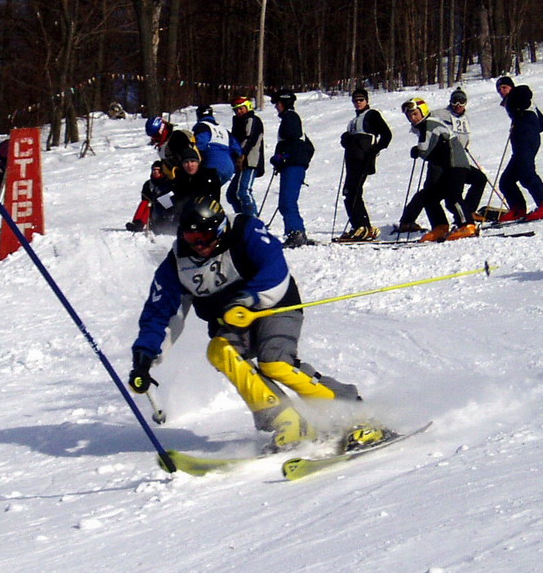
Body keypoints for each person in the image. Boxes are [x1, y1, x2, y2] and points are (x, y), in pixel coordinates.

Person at [127, 197, 368, 450]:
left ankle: (350, 411)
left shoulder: (245, 230)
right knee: (220, 352)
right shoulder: (177, 264)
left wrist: (246, 299)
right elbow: (160, 311)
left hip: (274, 304)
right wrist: (145, 354)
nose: (199, 246)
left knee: (275, 363)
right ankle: (285, 420)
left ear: (220, 230)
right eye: (190, 238)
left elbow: (274, 268)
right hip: (230, 321)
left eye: (206, 238)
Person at [400, 98, 470, 241]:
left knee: (453, 196)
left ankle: (467, 225)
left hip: (454, 164)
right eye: (410, 116)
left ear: (423, 111)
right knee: (430, 196)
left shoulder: (429, 124)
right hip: (445, 166)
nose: (413, 118)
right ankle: (440, 226)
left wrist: (417, 150)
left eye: (415, 114)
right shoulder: (425, 125)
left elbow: (424, 149)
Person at [335, 86, 391, 241]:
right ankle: (360, 226)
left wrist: (375, 149)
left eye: (361, 100)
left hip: (363, 159)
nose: (358, 103)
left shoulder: (372, 115)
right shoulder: (354, 120)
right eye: (355, 100)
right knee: (349, 192)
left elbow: (387, 134)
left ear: (367, 100)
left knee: (353, 191)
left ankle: (362, 227)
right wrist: (345, 139)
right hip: (352, 159)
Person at [499, 84, 543, 222]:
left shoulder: (518, 96)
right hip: (525, 140)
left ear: (512, 87)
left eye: (504, 87)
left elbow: (524, 92)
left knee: (526, 172)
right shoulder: (525, 103)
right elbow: (542, 124)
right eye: (499, 89)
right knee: (506, 180)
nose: (502, 91)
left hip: (525, 139)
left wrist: (522, 121)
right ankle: (517, 209)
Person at [268, 90, 316, 247]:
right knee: (287, 201)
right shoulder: (292, 118)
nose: (276, 107)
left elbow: (294, 141)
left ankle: (296, 233)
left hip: (292, 167)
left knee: (287, 202)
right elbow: (308, 147)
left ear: (283, 103)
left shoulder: (290, 118)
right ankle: (296, 232)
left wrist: (284, 157)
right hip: (293, 166)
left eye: (277, 103)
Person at [441, 88, 490, 232]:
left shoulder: (464, 118)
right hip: (448, 160)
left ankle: (468, 211)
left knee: (480, 179)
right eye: (454, 101)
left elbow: (464, 136)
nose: (457, 104)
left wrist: (464, 145)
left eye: (461, 101)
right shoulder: (442, 114)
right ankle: (464, 218)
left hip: (461, 158)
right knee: (453, 194)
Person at [228, 95, 266, 218]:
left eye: (241, 109)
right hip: (240, 162)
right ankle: (242, 219)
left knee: (243, 191)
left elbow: (250, 139)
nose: (239, 112)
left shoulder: (252, 119)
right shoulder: (237, 122)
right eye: (236, 109)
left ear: (247, 107)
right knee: (232, 194)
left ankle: (253, 219)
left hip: (250, 161)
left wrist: (241, 153)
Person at [125, 160, 180, 234]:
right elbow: (144, 198)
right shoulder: (148, 184)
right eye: (154, 170)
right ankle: (138, 223)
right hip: (153, 210)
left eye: (158, 170)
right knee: (146, 203)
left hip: (168, 210)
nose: (156, 172)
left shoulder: (168, 182)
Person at [193, 105, 240, 190]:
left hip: (212, 166)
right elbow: (237, 150)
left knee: (200, 194)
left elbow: (200, 144)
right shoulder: (224, 130)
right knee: (213, 194)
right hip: (229, 168)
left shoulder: (201, 126)